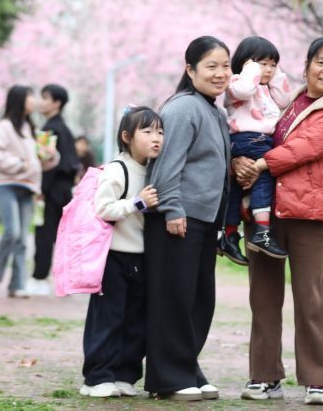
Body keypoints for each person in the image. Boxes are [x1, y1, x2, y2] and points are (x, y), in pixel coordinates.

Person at [233, 36, 323, 406]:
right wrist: (238, 161)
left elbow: (310, 145)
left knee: (310, 300)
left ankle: (316, 380)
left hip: (312, 215)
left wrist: (261, 164)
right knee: (263, 299)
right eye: (320, 62)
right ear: (306, 67)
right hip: (266, 212)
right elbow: (247, 133)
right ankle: (264, 376)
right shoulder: (280, 100)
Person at [144, 36, 232, 401]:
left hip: (203, 220)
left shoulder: (213, 110)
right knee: (174, 299)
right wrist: (173, 209)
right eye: (211, 66)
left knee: (198, 300)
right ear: (190, 70)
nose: (220, 73)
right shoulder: (182, 108)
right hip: (178, 218)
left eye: (225, 66)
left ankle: (186, 367)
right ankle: (167, 377)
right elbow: (166, 166)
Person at [79, 106, 162, 399]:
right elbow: (103, 209)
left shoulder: (153, 169)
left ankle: (125, 375)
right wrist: (137, 203)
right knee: (108, 319)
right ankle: (97, 377)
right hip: (113, 258)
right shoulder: (118, 169)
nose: (156, 138)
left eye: (160, 131)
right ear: (126, 137)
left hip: (141, 258)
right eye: (147, 131)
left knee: (136, 319)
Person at [218, 35, 296, 264]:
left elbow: (284, 100)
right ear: (246, 64)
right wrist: (251, 69)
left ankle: (229, 234)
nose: (268, 69)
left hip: (259, 140)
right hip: (247, 138)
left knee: (236, 187)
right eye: (263, 63)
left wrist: (275, 74)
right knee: (264, 177)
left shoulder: (266, 89)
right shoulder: (235, 83)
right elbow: (244, 91)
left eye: (273, 64)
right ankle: (262, 230)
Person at [0, 85, 59, 298]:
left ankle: (17, 284)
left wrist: (51, 156)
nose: (34, 101)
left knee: (22, 239)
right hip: (6, 184)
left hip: (28, 187)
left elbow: (37, 164)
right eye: (30, 97)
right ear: (19, 100)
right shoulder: (5, 126)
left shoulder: (29, 128)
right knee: (12, 232)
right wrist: (20, 164)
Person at [29, 84, 80, 295]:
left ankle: (40, 279)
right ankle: (64, 281)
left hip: (51, 189)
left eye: (45, 98)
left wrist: (40, 190)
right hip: (63, 189)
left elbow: (49, 164)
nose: (41, 102)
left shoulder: (51, 129)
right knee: (61, 237)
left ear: (57, 103)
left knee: (44, 234)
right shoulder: (63, 127)